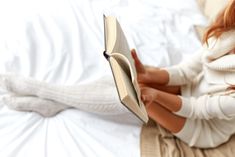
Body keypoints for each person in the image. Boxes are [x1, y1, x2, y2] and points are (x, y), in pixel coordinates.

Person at [131, 0, 235, 148]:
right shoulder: (229, 34)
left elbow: (197, 109)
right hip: (191, 90)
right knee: (135, 83)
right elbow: (185, 71)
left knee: (140, 100)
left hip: (204, 128)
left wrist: (156, 95)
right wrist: (147, 74)